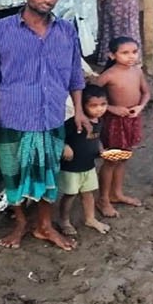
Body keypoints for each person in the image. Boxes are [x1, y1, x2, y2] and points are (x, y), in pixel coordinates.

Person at [0, 0, 91, 252]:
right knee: (13, 175)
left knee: (49, 173)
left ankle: (44, 226)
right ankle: (20, 222)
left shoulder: (66, 31)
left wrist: (80, 110)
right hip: (13, 116)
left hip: (51, 117)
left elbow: (75, 75)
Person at [93, 36, 150, 217]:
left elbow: (146, 92)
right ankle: (103, 199)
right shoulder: (108, 75)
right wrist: (111, 108)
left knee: (124, 157)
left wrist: (140, 107)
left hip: (132, 120)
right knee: (111, 160)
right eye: (125, 53)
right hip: (114, 122)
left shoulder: (137, 72)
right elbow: (91, 97)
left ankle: (116, 193)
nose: (131, 56)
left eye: (134, 52)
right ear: (112, 55)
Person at [57, 84, 111, 236]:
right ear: (81, 105)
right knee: (70, 195)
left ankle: (90, 218)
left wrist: (101, 150)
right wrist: (65, 145)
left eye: (103, 104)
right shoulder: (73, 122)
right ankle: (64, 220)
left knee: (88, 193)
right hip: (71, 168)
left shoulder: (99, 121)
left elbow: (96, 138)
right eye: (93, 106)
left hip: (89, 165)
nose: (99, 109)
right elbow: (57, 136)